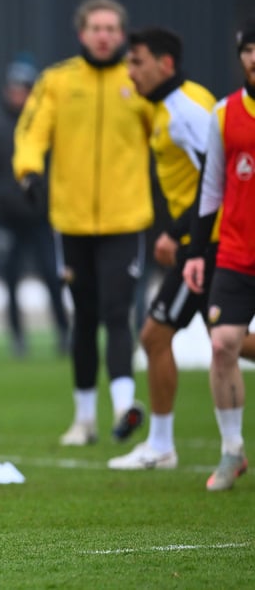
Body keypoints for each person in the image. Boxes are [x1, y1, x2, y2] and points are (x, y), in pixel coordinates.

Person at [13, 0, 154, 446]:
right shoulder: (57, 81)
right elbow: (31, 131)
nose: (104, 35)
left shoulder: (139, 82)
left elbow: (167, 137)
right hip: (71, 221)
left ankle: (124, 408)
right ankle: (84, 418)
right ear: (82, 33)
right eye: (96, 27)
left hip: (126, 219)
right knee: (84, 316)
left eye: (112, 28)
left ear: (123, 35)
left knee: (118, 311)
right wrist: (29, 171)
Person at [107, 28, 220, 469]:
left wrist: (177, 231)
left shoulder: (187, 110)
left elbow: (217, 179)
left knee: (162, 336)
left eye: (136, 62)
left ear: (165, 64)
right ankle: (161, 444)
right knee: (216, 340)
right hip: (199, 241)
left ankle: (161, 446)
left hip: (205, 243)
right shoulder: (163, 106)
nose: (130, 71)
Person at [183, 20, 255, 491]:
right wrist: (196, 250)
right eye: (249, 50)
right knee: (223, 342)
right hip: (235, 250)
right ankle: (232, 451)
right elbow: (210, 189)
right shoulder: (225, 113)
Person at [0, 53, 69, 358]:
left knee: (53, 276)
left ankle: (64, 333)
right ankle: (17, 338)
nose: (18, 95)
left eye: (24, 89)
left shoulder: (45, 122)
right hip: (7, 218)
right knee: (10, 278)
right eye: (14, 88)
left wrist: (49, 195)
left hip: (40, 217)